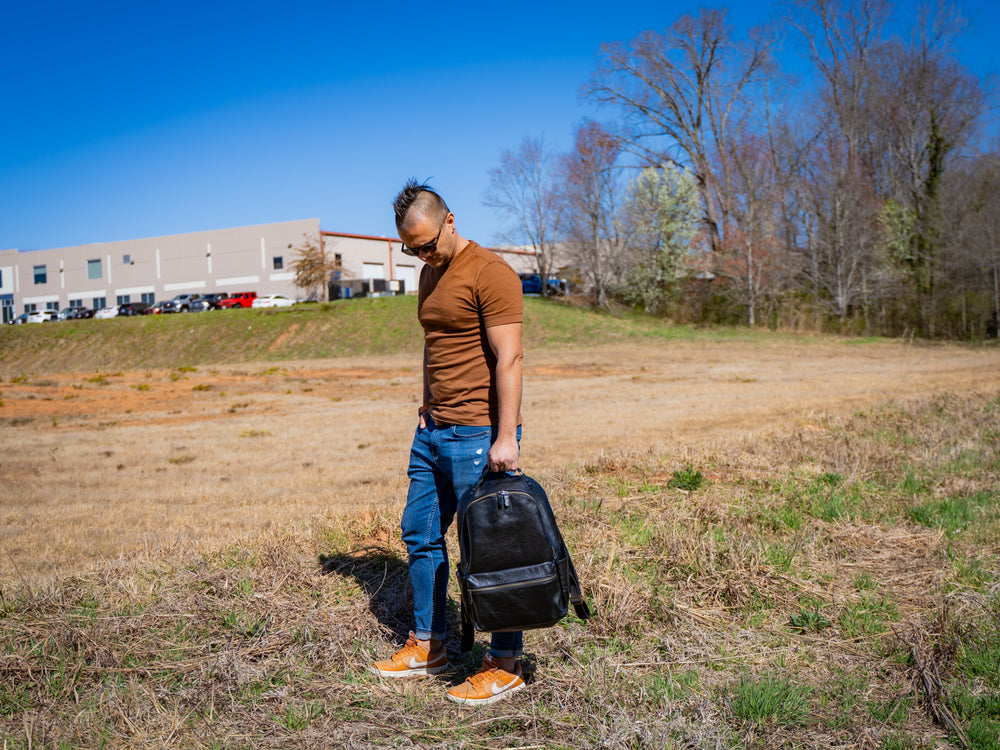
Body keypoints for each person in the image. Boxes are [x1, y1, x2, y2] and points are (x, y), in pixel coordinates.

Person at [370, 179, 526, 706]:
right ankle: (429, 645)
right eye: (411, 249)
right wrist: (425, 404)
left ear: (450, 220)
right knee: (419, 533)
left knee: (492, 548)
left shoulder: (491, 273)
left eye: (427, 244)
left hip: (479, 434)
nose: (422, 255)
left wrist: (507, 436)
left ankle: (505, 663)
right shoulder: (427, 275)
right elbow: (434, 343)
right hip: (433, 431)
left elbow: (510, 358)